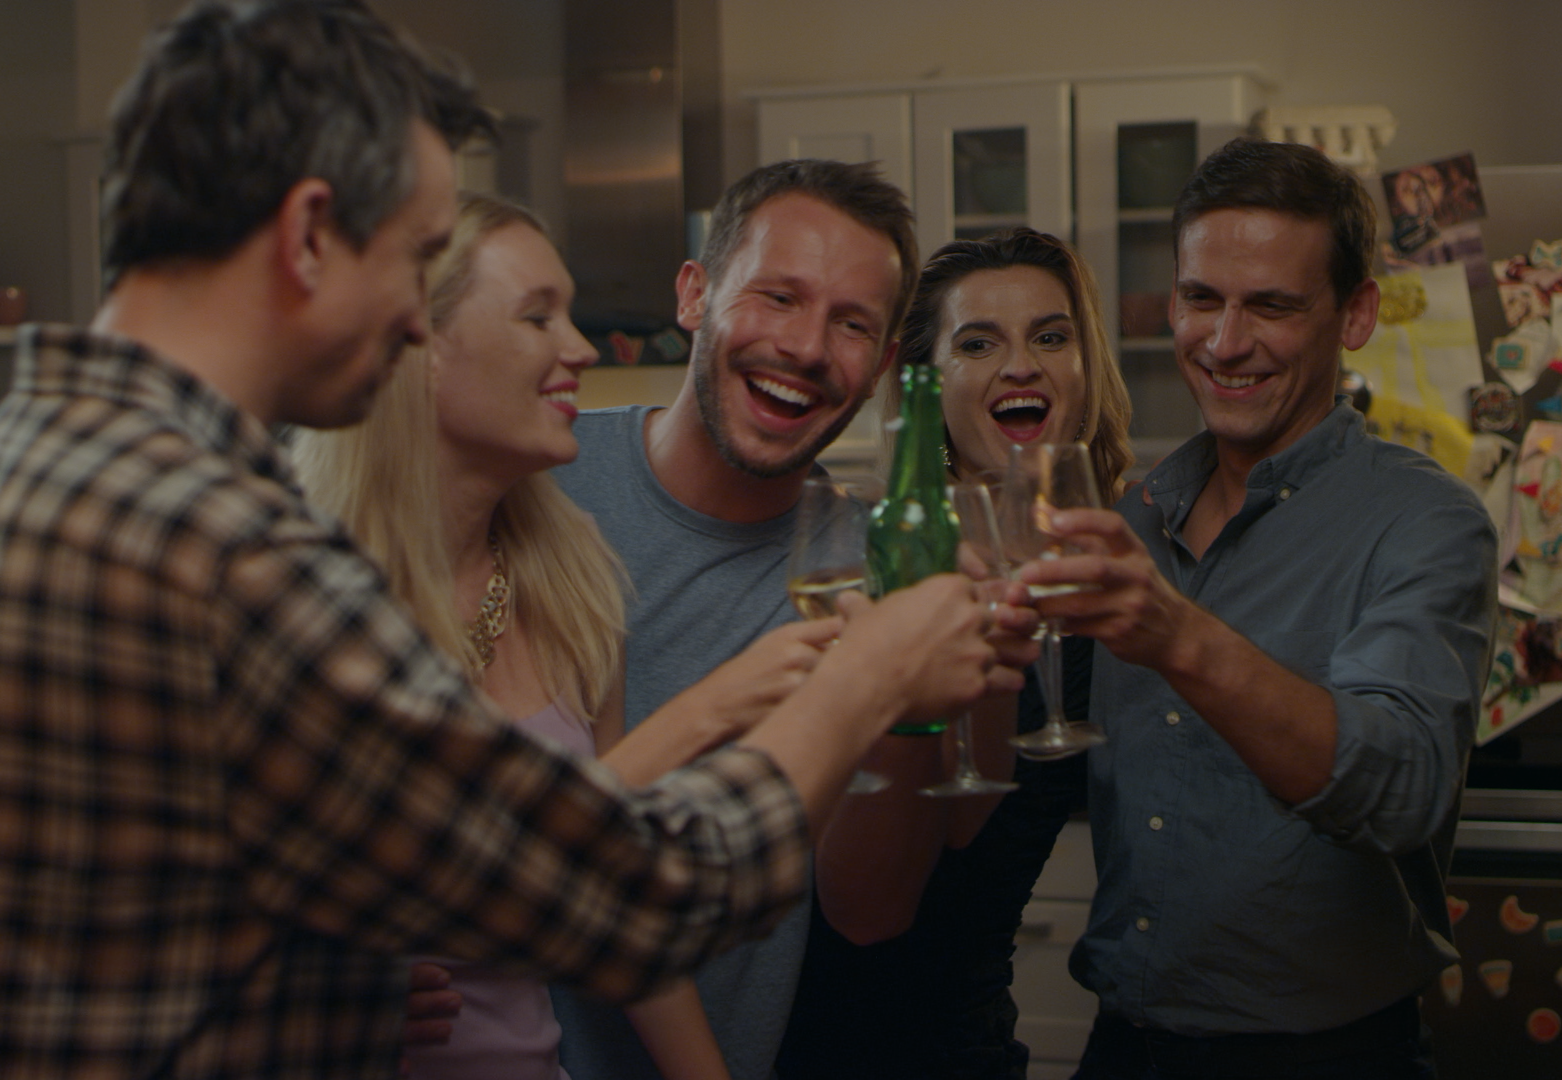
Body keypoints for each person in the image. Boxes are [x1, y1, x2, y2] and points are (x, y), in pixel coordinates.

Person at [0, 5, 1013, 1077]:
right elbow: (621, 893)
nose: (417, 317)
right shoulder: (213, 542)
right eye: (421, 257)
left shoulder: (31, 453)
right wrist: (863, 681)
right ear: (309, 235)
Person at [289, 192, 839, 1080]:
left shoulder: (568, 569)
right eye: (537, 316)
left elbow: (611, 887)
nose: (581, 348)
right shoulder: (296, 589)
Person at [550, 159, 1039, 1080]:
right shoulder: (543, 486)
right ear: (695, 294)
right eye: (778, 297)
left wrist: (911, 698)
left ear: (883, 365)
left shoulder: (869, 567)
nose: (808, 348)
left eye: (852, 324)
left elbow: (870, 910)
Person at [1024, 138, 1498, 1077]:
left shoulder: (1425, 523)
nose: (1225, 342)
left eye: (1272, 306)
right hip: (1122, 1048)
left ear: (1355, 314)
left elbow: (1402, 791)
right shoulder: (1133, 519)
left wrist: (1179, 636)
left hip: (1327, 1060)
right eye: (1201, 298)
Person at [780, 229, 1134, 1080]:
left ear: (1085, 368)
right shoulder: (863, 558)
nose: (1021, 366)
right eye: (978, 344)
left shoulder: (1110, 593)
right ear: (927, 384)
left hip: (965, 1046)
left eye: (1051, 336)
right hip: (806, 1050)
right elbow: (864, 899)